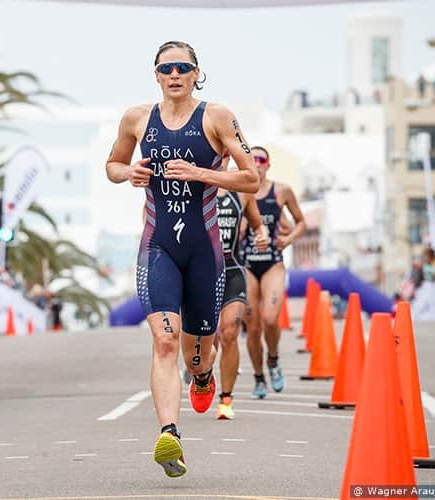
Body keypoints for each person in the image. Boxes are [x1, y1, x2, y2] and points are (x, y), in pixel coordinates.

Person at [105, 40, 259, 478]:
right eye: (166, 68)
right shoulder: (137, 118)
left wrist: (201, 173)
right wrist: (128, 172)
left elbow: (251, 178)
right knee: (164, 341)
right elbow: (112, 165)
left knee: (197, 354)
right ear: (156, 74)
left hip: (204, 252)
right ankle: (169, 433)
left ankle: (204, 377)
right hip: (158, 247)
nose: (175, 75)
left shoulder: (218, 117)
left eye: (183, 68)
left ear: (197, 74)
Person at [241, 146, 306, 400]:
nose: (256, 163)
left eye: (260, 160)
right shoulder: (239, 191)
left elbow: (301, 222)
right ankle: (259, 377)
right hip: (246, 263)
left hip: (272, 263)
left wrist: (288, 239)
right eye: (251, 159)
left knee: (270, 319)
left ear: (268, 165)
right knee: (252, 325)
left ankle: (273, 359)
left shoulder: (281, 191)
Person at [212, 153, 268, 420]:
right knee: (206, 343)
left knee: (229, 332)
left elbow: (258, 225)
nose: (221, 157)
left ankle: (226, 400)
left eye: (225, 152)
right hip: (201, 274)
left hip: (232, 270)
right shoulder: (196, 187)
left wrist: (261, 236)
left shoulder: (242, 191)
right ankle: (202, 376)